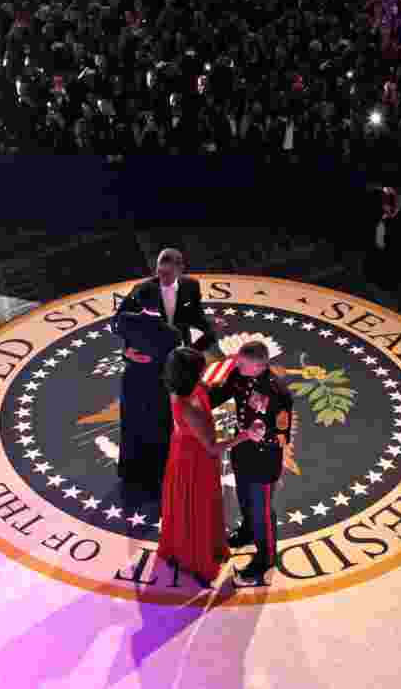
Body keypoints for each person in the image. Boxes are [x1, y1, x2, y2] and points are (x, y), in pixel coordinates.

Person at [112, 248, 219, 490]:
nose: (163, 278)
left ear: (181, 270)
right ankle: (141, 472)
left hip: (177, 364)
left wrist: (197, 347)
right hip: (149, 364)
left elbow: (199, 320)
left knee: (172, 420)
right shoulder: (142, 290)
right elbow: (117, 323)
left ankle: (168, 469)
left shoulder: (191, 287)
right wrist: (125, 352)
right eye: (160, 272)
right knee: (149, 417)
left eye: (169, 274)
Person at [157, 348, 265, 587]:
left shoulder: (188, 385)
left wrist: (235, 363)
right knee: (197, 506)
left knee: (191, 505)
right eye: (200, 368)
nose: (204, 370)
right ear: (191, 374)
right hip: (194, 460)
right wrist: (245, 435)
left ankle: (190, 548)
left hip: (188, 450)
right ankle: (195, 558)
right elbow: (212, 448)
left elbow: (214, 387)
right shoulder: (187, 406)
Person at [204, 341, 294, 581]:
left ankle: (266, 557)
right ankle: (246, 531)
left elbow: (283, 437)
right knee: (244, 498)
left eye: (242, 364)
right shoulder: (239, 375)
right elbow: (220, 395)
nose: (237, 366)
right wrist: (195, 400)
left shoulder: (278, 392)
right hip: (241, 451)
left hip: (264, 461)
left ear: (258, 366)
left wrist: (262, 437)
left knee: (262, 510)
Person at [111, 308, 182, 491]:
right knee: (158, 427)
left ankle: (131, 472)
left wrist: (126, 352)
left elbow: (119, 329)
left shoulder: (127, 320)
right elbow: (173, 363)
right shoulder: (172, 334)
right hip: (158, 386)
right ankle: (158, 473)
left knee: (132, 425)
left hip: (133, 383)